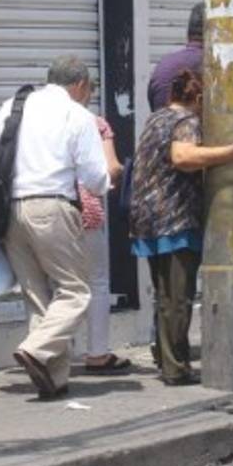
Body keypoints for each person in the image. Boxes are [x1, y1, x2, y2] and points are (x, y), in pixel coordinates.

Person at [0, 56, 111, 399]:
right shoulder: (77, 115)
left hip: (10, 211)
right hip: (52, 207)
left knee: (38, 296)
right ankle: (36, 348)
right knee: (76, 291)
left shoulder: (14, 105)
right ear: (80, 85)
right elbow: (94, 178)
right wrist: (109, 180)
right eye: (90, 89)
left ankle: (54, 379)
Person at [130, 69, 233, 385]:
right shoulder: (186, 121)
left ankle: (167, 360)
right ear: (197, 98)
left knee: (164, 296)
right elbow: (183, 156)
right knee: (177, 298)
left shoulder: (157, 118)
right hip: (174, 217)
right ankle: (176, 368)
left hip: (147, 217)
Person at [76, 81, 129, 374]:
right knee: (95, 281)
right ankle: (97, 353)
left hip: (39, 212)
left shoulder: (37, 122)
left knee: (54, 285)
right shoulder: (95, 123)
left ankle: (49, 353)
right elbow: (112, 168)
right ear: (83, 89)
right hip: (86, 213)